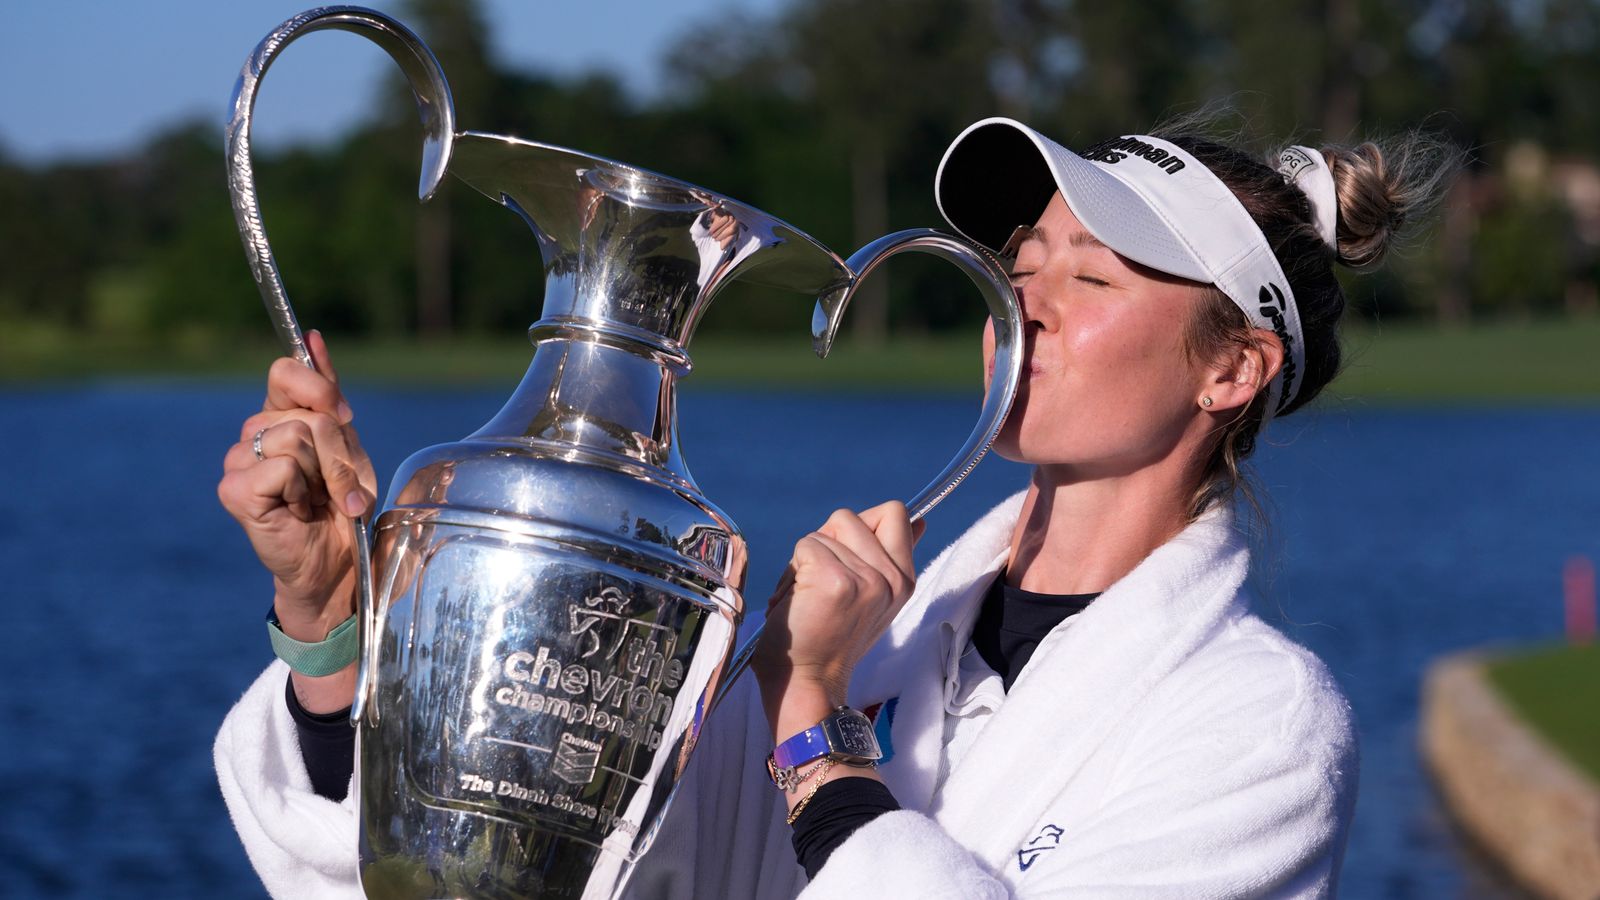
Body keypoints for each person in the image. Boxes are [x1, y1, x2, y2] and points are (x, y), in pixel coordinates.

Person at [215, 115, 1453, 898]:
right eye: (1018, 267)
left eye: (1085, 276)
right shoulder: (876, 639)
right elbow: (509, 865)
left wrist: (809, 725)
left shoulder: (1262, 722)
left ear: (1230, 369)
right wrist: (332, 622)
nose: (1023, 303)